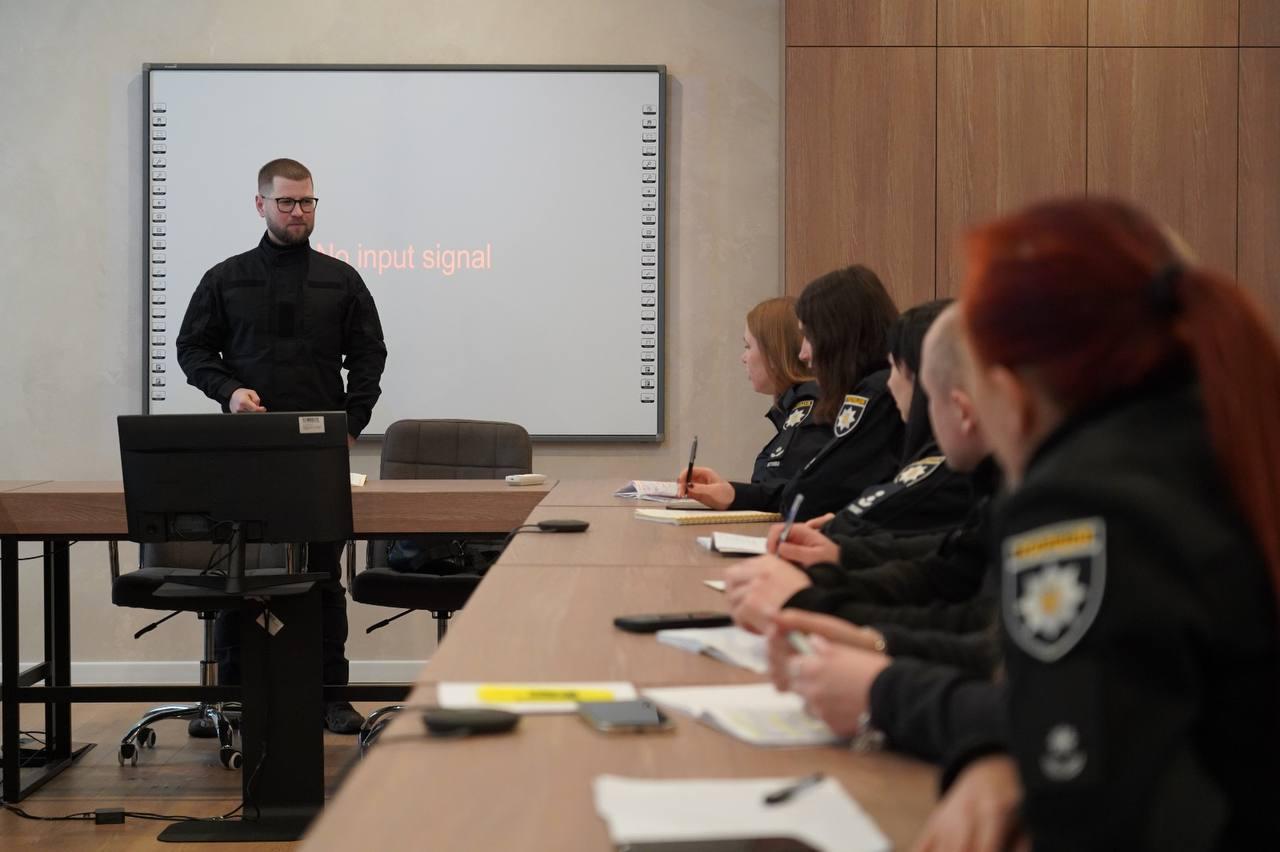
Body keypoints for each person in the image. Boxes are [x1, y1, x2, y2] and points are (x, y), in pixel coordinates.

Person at [912, 198, 1280, 851]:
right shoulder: (1223, 438)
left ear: (1010, 395)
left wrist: (1025, 763)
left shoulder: (1080, 505)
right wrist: (1000, 750)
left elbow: (1088, 810)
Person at [176, 158, 388, 735]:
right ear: (261, 205)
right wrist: (229, 392)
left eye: (307, 202)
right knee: (239, 574)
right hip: (246, 452)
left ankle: (331, 697)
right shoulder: (226, 278)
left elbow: (369, 355)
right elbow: (193, 349)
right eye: (287, 202)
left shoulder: (341, 280)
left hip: (319, 455)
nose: (299, 212)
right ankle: (234, 698)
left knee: (322, 578)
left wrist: (353, 424)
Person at [725, 304, 997, 653]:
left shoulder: (1009, 487)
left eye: (896, 368)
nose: (890, 384)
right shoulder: (996, 485)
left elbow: (987, 641)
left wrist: (822, 603)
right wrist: (835, 563)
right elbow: (950, 565)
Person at [679, 265, 903, 520]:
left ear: (838, 335)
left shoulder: (875, 394)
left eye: (809, 336)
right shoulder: (875, 390)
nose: (803, 353)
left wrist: (738, 494)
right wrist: (733, 493)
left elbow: (807, 495)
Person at [741, 297, 827, 484]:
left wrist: (730, 493)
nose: (743, 358)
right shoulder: (796, 406)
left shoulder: (811, 410)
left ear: (774, 353)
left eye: (748, 346)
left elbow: (780, 488)